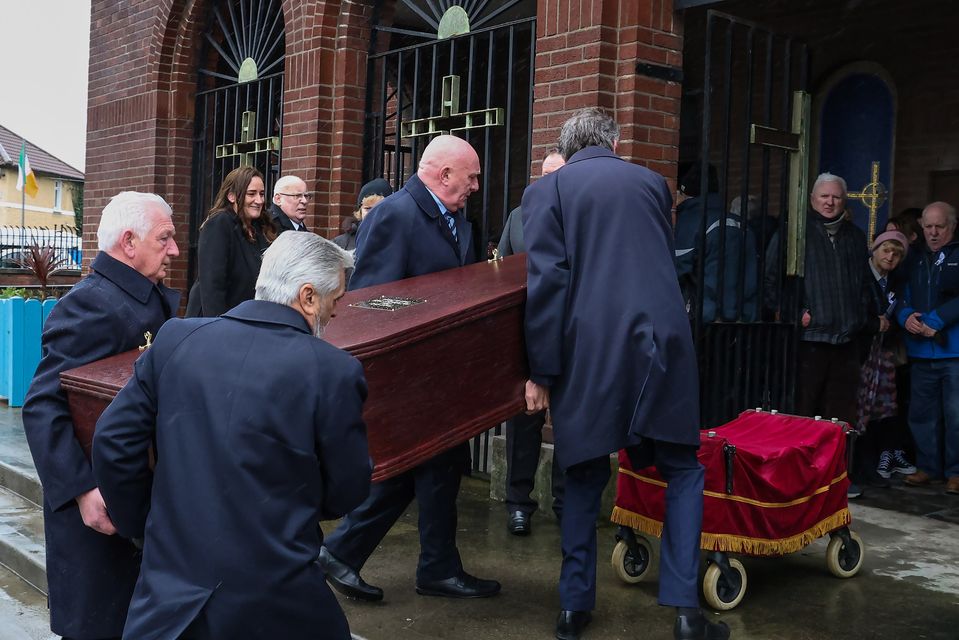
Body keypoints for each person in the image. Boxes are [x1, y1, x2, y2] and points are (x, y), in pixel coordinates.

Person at [91, 232, 367, 640]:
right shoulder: (333, 370)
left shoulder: (176, 339)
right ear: (308, 297)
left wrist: (149, 527)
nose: (337, 313)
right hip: (279, 602)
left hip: (172, 600)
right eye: (336, 300)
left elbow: (113, 441)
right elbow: (348, 489)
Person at [522, 108, 728, 640]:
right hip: (664, 339)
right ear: (614, 142)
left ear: (566, 150)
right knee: (682, 469)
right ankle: (686, 613)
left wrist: (541, 370)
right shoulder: (652, 183)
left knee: (585, 471)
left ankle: (573, 607)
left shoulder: (548, 191)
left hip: (591, 347)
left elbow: (548, 285)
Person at [319, 134, 501, 601]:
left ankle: (405, 561)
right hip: (410, 376)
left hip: (443, 372)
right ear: (443, 175)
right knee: (427, 466)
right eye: (471, 176)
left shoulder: (459, 221)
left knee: (436, 467)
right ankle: (406, 561)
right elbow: (371, 304)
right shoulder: (393, 215)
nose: (476, 186)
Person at [21, 191, 181, 640]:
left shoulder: (139, 294)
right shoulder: (90, 304)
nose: (173, 250)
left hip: (136, 492)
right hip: (101, 507)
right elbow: (43, 404)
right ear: (129, 242)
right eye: (164, 239)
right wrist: (82, 491)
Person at [765, 173, 875, 496]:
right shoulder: (794, 234)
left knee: (841, 417)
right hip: (809, 343)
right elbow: (770, 283)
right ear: (813, 200)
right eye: (824, 197)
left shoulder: (855, 238)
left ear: (844, 200)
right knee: (803, 412)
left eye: (836, 197)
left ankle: (836, 477)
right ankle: (798, 477)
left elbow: (866, 286)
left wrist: (863, 317)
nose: (830, 202)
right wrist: (796, 314)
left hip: (846, 342)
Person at [497, 148, 567, 536]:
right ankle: (518, 503)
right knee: (524, 423)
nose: (548, 183)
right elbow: (503, 270)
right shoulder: (518, 217)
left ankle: (566, 502)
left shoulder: (580, 217)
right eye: (543, 175)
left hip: (571, 333)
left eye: (557, 175)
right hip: (526, 333)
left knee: (569, 423)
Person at [895, 201, 959, 494]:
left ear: (952, 226)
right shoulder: (913, 258)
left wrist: (937, 320)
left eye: (940, 226)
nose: (933, 233)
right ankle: (928, 468)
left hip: (954, 352)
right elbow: (897, 295)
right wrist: (905, 316)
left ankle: (956, 473)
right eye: (928, 226)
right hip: (921, 351)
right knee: (921, 414)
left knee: (956, 415)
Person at [854, 230, 916, 486]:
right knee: (857, 409)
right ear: (875, 249)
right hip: (859, 351)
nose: (890, 257)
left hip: (883, 353)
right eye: (886, 250)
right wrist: (871, 323)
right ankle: (854, 466)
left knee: (879, 409)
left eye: (896, 253)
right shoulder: (860, 275)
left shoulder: (896, 280)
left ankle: (873, 462)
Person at [674, 162, 759, 323]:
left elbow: (675, 269)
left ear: (686, 192)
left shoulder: (689, 222)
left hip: (700, 319)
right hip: (740, 320)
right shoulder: (741, 225)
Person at [186, 166, 275, 317]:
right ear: (231, 196)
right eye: (251, 194)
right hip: (215, 322)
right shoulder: (219, 224)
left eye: (261, 194)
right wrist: (219, 328)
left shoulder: (260, 227)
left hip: (244, 320)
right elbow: (212, 285)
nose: (259, 200)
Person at [334, 178, 393, 251]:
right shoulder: (341, 243)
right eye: (368, 208)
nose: (372, 213)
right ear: (360, 212)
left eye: (378, 208)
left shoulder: (398, 241)